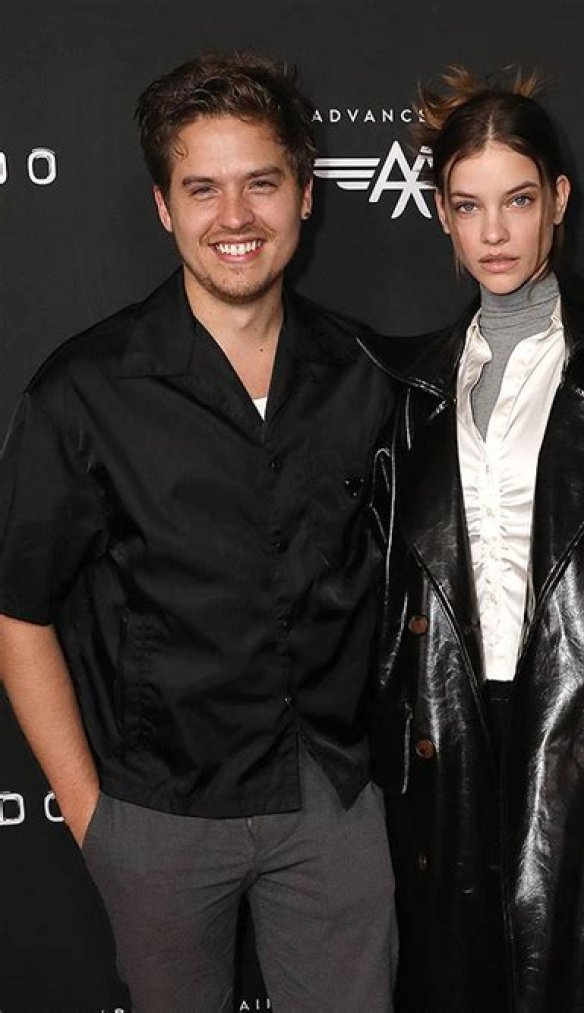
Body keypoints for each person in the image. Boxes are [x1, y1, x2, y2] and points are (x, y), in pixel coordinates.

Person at [0, 51, 397, 1013]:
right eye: (202, 188)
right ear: (163, 207)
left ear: (305, 194)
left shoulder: (365, 373)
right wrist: (96, 821)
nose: (234, 217)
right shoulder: (84, 390)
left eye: (261, 182)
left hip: (329, 799)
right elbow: (18, 613)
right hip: (160, 814)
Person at [362, 67, 584, 1012]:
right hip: (452, 731)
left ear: (558, 200)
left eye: (517, 200)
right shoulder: (419, 384)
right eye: (468, 205)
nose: (494, 232)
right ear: (441, 214)